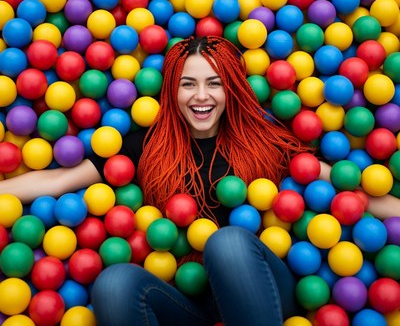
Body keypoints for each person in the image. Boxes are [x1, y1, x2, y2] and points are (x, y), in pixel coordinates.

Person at [0, 36, 398, 325]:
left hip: (266, 297)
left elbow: (350, 190)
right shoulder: (146, 146)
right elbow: (60, 181)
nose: (200, 96)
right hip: (189, 300)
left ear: (233, 88)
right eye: (187, 84)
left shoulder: (265, 145)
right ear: (172, 90)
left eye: (214, 83)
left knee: (226, 243)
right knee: (115, 281)